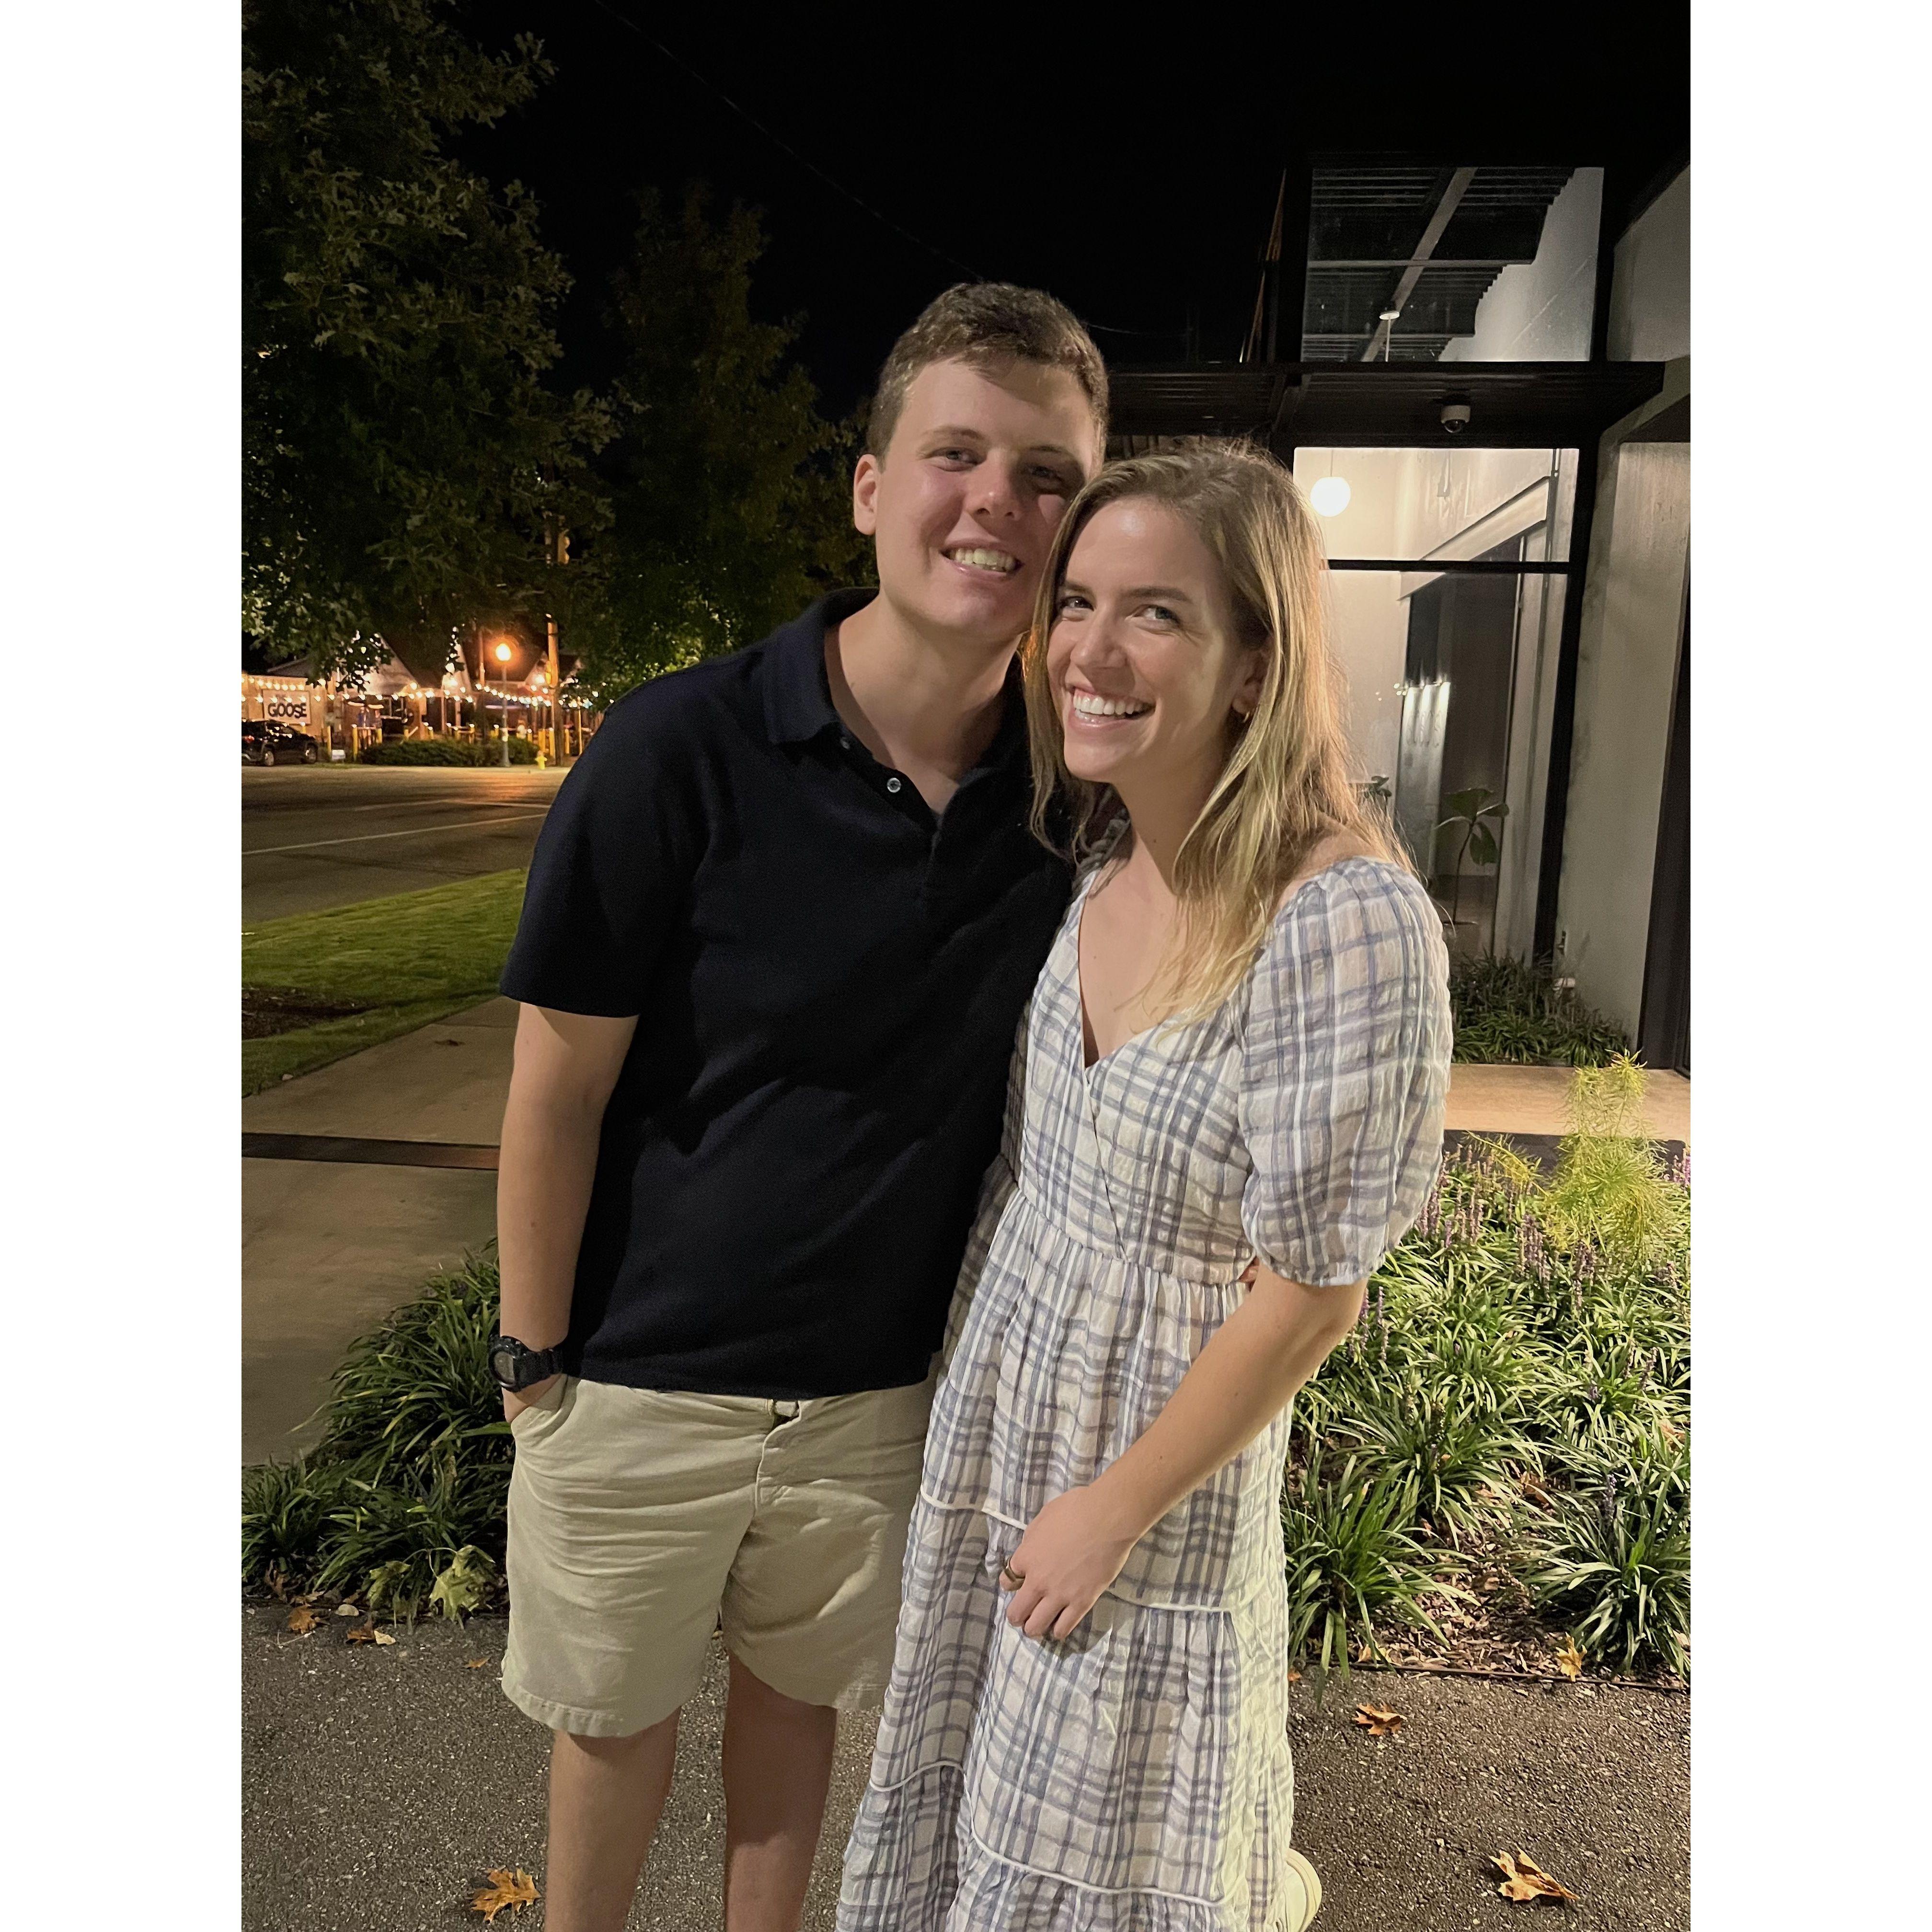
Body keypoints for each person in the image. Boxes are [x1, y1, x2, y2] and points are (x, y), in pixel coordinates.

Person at [486, 283, 1107, 1932]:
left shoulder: (1068, 798)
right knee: (612, 1730)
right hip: (634, 1375)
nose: (998, 504)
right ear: (870, 486)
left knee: (795, 1722)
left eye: (1048, 476)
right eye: (956, 453)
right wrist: (533, 1362)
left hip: (871, 1395)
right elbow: (557, 1088)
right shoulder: (679, 749)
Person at [838, 442, 1453, 1932]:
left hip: (1144, 1491)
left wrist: (1111, 1511)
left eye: (1157, 615)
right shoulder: (1104, 864)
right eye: (1081, 603)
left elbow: (1313, 1296)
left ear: (1255, 663)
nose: (1091, 655)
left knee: (1110, 1870)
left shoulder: (1341, 922)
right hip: (1007, 1439)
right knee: (977, 1837)